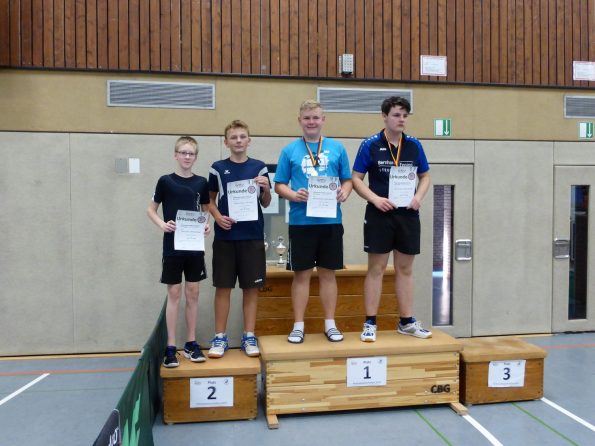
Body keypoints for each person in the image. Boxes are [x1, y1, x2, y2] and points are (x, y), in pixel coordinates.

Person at [351, 96, 432, 342]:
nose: (401, 120)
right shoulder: (370, 145)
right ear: (384, 116)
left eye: (405, 116)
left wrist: (418, 196)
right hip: (379, 214)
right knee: (376, 269)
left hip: (407, 215)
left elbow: (425, 176)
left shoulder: (414, 145)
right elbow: (356, 179)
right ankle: (370, 323)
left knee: (405, 269)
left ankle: (406, 322)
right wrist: (375, 199)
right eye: (397, 115)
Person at [274, 99, 353, 344]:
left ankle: (330, 324)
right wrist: (293, 194)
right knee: (301, 276)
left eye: (316, 117)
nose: (311, 122)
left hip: (330, 222)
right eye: (307, 118)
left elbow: (347, 180)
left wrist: (344, 192)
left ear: (323, 120)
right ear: (300, 121)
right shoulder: (289, 151)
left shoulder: (337, 148)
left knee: (329, 274)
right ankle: (298, 326)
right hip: (301, 223)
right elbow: (279, 185)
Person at [207, 120, 272, 358]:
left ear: (249, 140)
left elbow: (266, 203)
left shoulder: (259, 167)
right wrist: (217, 217)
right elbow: (209, 200)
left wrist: (266, 188)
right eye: (233, 137)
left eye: (242, 137)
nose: (238, 141)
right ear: (226, 142)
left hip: (252, 236)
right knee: (223, 287)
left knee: (251, 289)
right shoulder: (217, 168)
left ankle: (249, 336)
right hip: (225, 237)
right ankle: (220, 337)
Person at [147, 136, 210, 367]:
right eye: (183, 152)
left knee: (193, 293)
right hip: (172, 247)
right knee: (174, 293)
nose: (187, 156)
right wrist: (162, 224)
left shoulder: (201, 182)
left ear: (196, 157)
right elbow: (151, 209)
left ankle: (191, 343)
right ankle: (171, 347)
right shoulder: (165, 181)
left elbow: (205, 211)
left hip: (194, 247)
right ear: (176, 155)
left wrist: (206, 225)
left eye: (191, 153)